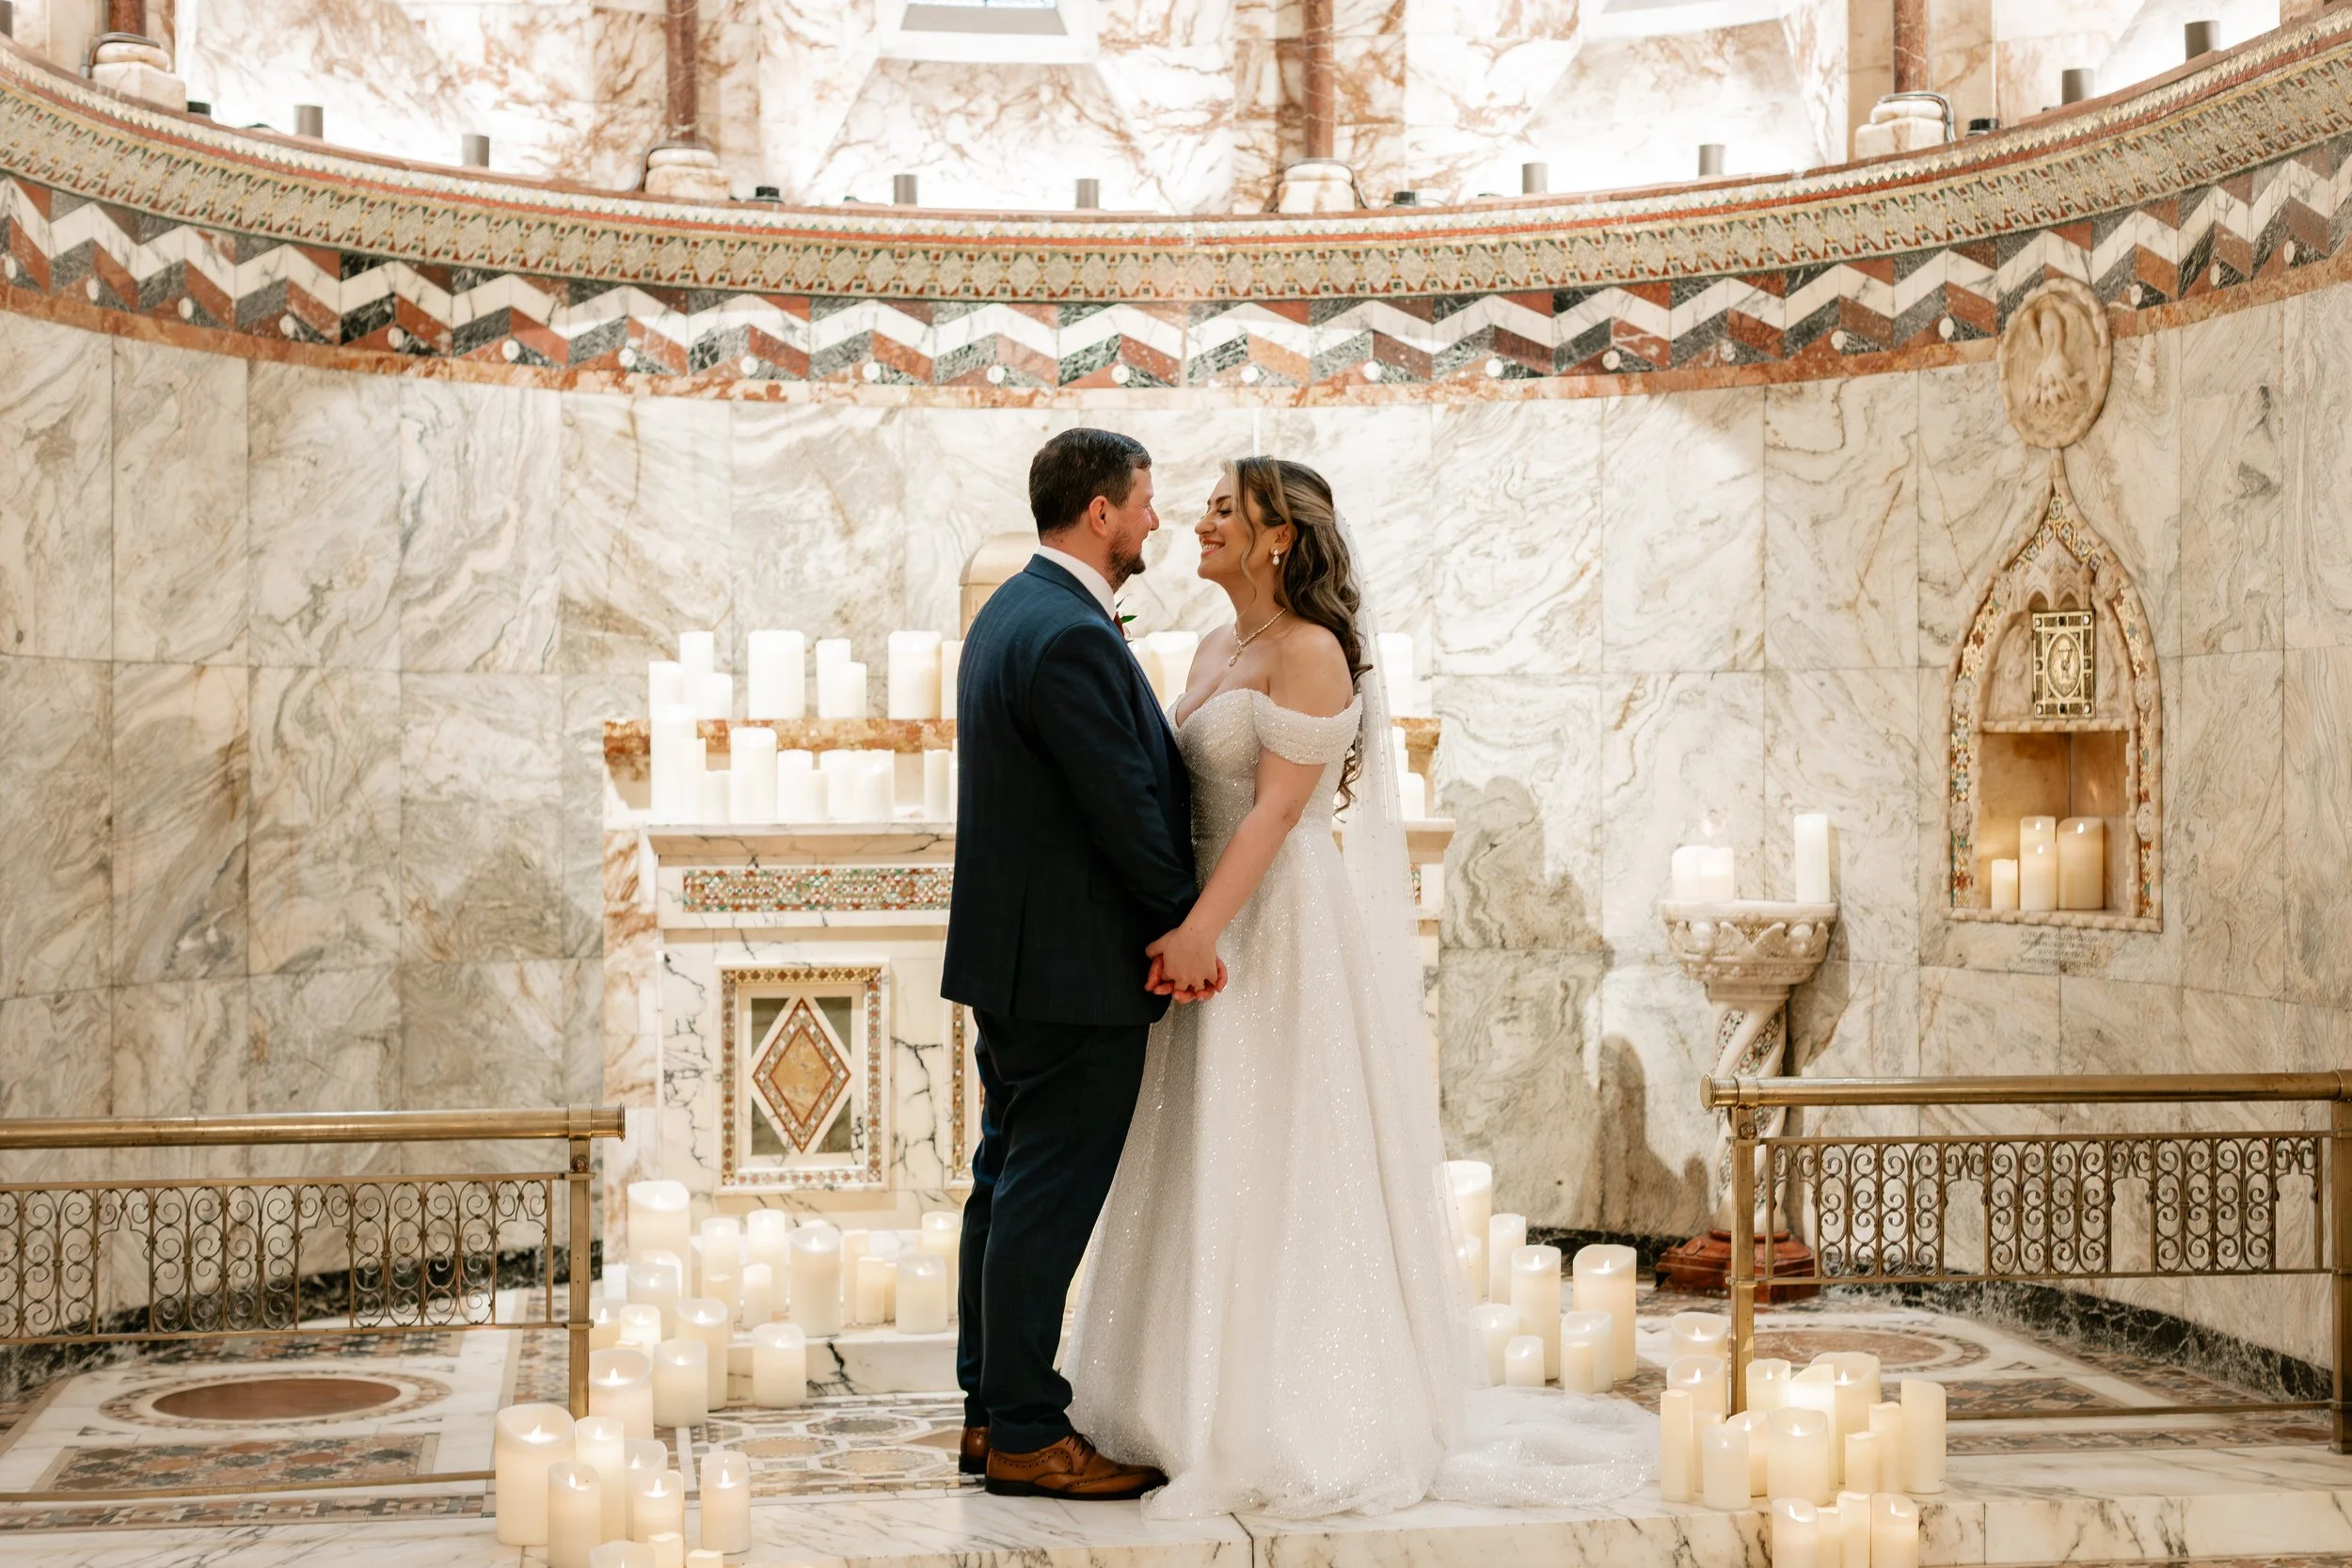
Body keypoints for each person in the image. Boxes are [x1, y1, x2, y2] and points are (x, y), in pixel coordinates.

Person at [1064, 456, 1653, 1517]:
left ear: (1276, 534)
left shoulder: (1311, 652)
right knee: (1202, 1144)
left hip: (1274, 923)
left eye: (1221, 509)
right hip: (1202, 911)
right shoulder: (1211, 644)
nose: (1198, 520)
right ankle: (1174, 1394)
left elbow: (1276, 814)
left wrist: (1202, 924)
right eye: (1197, 506)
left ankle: (1296, 1408)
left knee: (1282, 1145)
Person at [940, 427, 1225, 1502]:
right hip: (1071, 969)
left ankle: (986, 1407)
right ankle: (1023, 1426)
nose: (1156, 518)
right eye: (1145, 500)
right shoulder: (1066, 633)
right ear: (1099, 511)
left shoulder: (1013, 610)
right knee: (1044, 1196)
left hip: (1020, 965)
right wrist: (1179, 926)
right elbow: (1123, 802)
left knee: (1006, 1185)